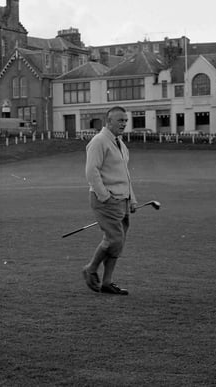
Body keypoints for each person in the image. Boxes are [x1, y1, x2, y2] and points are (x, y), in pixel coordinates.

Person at [82, 106, 137, 295]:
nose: (124, 124)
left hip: (122, 199)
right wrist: (105, 196)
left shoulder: (120, 143)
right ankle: (90, 269)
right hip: (106, 199)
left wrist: (132, 198)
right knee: (114, 239)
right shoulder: (99, 141)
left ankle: (107, 282)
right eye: (120, 120)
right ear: (108, 121)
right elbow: (91, 171)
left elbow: (125, 174)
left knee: (117, 242)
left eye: (125, 120)